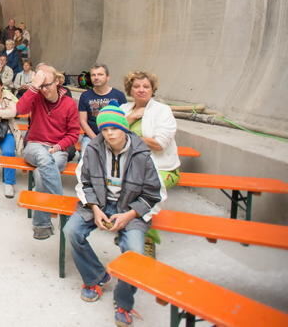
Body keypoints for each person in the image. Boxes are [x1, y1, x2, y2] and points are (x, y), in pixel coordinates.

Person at [63, 105, 165, 327]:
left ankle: (123, 302)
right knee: (71, 230)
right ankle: (96, 277)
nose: (109, 133)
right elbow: (85, 182)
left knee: (135, 251)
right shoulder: (93, 149)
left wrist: (129, 215)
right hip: (100, 202)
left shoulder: (143, 154)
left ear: (124, 129)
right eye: (105, 128)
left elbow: (153, 194)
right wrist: (95, 208)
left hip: (130, 207)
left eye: (114, 128)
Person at [16, 65, 80, 240]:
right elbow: (20, 109)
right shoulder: (35, 97)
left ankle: (42, 225)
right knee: (44, 159)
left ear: (58, 81)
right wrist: (33, 87)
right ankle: (60, 205)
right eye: (41, 85)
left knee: (40, 173)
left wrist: (59, 147)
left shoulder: (69, 104)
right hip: (34, 145)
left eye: (47, 84)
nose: (44, 89)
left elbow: (73, 134)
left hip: (58, 148)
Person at [120, 71, 178, 258]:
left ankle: (146, 238)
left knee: (145, 191)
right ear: (130, 90)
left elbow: (160, 144)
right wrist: (132, 117)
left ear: (153, 89)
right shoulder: (123, 109)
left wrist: (130, 136)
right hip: (130, 167)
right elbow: (108, 133)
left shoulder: (162, 111)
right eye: (136, 86)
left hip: (161, 168)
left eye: (146, 86)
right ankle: (132, 232)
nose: (141, 90)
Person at [78, 64, 127, 153]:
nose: (96, 77)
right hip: (91, 137)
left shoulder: (119, 95)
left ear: (108, 77)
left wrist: (112, 138)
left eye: (100, 74)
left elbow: (124, 120)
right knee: (86, 159)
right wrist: (96, 139)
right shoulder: (85, 96)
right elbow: (83, 121)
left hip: (114, 136)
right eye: (93, 75)